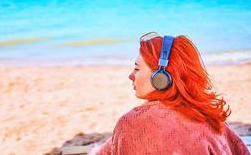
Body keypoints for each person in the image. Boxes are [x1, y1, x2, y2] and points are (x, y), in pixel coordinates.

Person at [89, 32, 250, 155]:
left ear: (161, 77)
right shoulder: (210, 119)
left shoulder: (130, 124)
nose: (131, 75)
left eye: (137, 69)